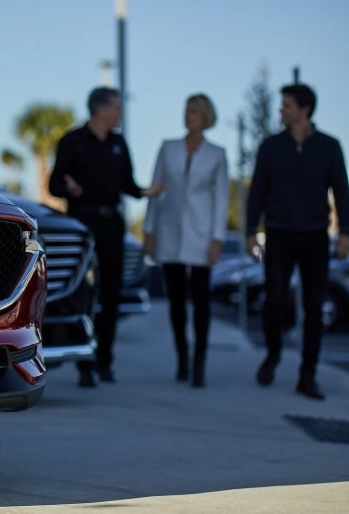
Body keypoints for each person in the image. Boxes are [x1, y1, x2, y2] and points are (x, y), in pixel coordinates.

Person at [49, 86, 163, 387]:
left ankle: (105, 361)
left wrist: (145, 192)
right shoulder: (72, 141)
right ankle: (84, 364)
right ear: (100, 109)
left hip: (112, 223)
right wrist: (69, 188)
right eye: (116, 107)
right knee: (84, 293)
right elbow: (53, 184)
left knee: (111, 292)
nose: (120, 113)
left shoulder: (118, 143)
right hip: (82, 225)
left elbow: (128, 184)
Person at [246, 83, 349, 400]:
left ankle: (308, 375)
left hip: (316, 235)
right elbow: (257, 192)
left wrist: (345, 232)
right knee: (274, 301)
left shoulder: (329, 147)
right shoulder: (271, 146)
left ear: (304, 109)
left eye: (286, 106)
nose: (281, 111)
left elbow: (342, 191)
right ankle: (273, 353)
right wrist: (250, 232)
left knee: (314, 308)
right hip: (278, 234)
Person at [143, 93, 229, 388]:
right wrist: (149, 230)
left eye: (193, 111)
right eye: (186, 110)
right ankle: (182, 357)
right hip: (169, 231)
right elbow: (156, 191)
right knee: (177, 301)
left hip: (202, 233)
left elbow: (221, 198)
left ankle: (199, 364)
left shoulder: (217, 154)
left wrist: (217, 238)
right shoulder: (168, 148)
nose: (187, 115)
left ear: (205, 117)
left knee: (201, 302)